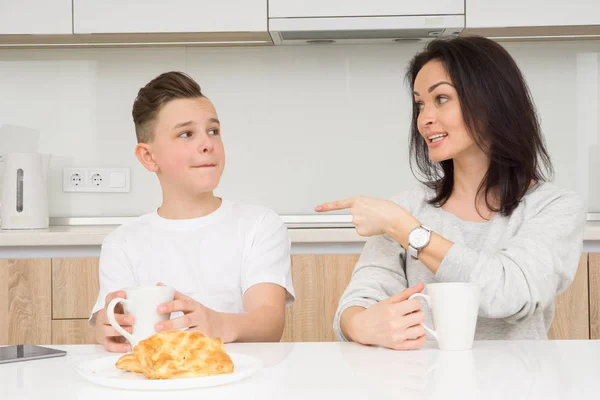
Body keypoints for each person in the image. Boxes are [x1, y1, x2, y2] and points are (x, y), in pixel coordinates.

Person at [316, 35, 586, 350]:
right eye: (420, 104)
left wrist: (409, 232)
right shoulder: (406, 208)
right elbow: (358, 303)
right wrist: (358, 324)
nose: (424, 119)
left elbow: (510, 293)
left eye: (441, 99)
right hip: (418, 386)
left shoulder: (553, 208)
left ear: (491, 101)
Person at [90, 71, 295, 352]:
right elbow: (115, 325)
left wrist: (219, 325)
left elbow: (270, 322)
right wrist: (108, 328)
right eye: (186, 134)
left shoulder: (259, 224)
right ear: (148, 157)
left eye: (213, 131)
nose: (207, 144)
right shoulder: (122, 242)